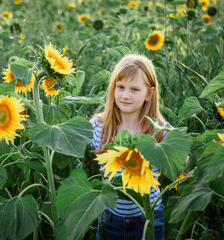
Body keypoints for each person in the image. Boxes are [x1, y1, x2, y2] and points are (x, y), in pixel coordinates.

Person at [90, 54, 166, 240]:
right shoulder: (98, 127)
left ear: (149, 94)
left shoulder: (159, 131)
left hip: (149, 220)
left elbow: (180, 162)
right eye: (121, 87)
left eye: (134, 89)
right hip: (111, 219)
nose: (125, 95)